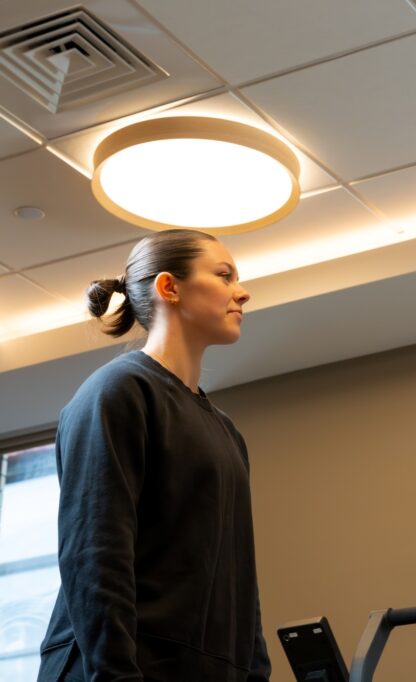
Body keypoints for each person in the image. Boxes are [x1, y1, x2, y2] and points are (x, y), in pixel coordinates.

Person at [37, 229, 270, 682]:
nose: (242, 291)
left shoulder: (226, 432)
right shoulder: (117, 393)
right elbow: (94, 554)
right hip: (119, 668)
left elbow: (239, 576)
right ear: (169, 287)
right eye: (224, 276)